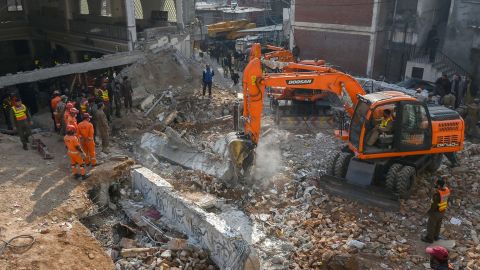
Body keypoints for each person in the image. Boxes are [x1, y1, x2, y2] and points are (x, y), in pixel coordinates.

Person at [422, 176, 450, 243]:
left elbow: (434, 205)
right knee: (438, 224)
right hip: (442, 210)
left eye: (437, 185)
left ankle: (429, 239)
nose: (436, 186)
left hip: (436, 211)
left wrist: (430, 211)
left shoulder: (437, 195)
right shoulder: (447, 190)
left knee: (431, 225)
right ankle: (436, 236)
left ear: (439, 185)